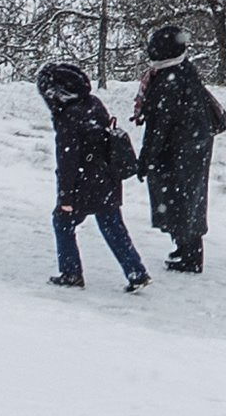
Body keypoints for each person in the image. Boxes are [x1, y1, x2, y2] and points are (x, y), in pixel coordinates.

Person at [34, 60, 148, 291]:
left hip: (83, 184)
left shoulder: (67, 117)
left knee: (62, 221)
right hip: (107, 178)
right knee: (112, 225)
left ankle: (71, 273)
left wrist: (65, 199)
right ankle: (136, 271)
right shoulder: (93, 103)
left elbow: (67, 162)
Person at [131, 23, 226, 274]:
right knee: (189, 200)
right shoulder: (183, 71)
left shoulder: (167, 81)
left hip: (178, 149)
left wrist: (146, 159)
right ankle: (186, 249)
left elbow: (159, 126)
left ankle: (189, 255)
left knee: (179, 201)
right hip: (193, 144)